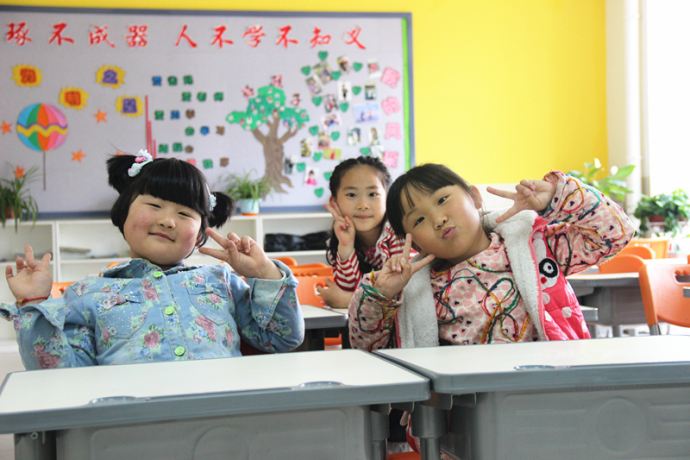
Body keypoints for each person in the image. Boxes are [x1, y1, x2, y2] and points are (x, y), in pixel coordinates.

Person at [1, 150, 304, 370]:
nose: (168, 221)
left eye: (184, 213)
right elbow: (60, 373)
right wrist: (34, 302)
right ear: (123, 213)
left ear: (200, 234)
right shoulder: (87, 293)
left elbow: (282, 338)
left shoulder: (221, 282)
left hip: (221, 420)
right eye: (155, 206)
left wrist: (265, 272)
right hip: (130, 428)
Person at [348, 164, 635, 351]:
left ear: (474, 197)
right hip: (469, 411)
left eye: (442, 200)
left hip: (550, 392)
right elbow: (365, 347)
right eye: (419, 219)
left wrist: (558, 197)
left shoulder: (535, 247)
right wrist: (380, 295)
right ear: (412, 241)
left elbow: (615, 233)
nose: (438, 219)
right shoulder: (414, 288)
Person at [317, 156, 406, 309]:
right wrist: (346, 246)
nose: (363, 205)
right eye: (351, 195)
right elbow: (348, 288)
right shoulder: (338, 241)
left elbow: (401, 296)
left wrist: (349, 300)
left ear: (388, 198)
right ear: (334, 202)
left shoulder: (397, 234)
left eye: (373, 194)